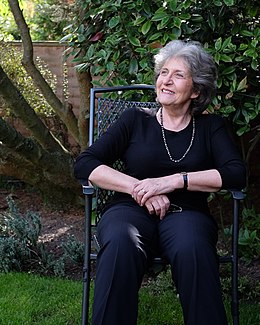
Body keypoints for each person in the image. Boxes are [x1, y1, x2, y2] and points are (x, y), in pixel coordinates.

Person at [74, 39, 246, 325]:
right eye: (163, 73)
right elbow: (86, 163)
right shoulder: (134, 120)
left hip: (187, 214)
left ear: (197, 90)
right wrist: (140, 188)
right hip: (128, 210)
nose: (165, 81)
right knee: (119, 242)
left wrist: (172, 181)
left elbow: (235, 173)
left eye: (178, 75)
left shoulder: (210, 127)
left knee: (193, 246)